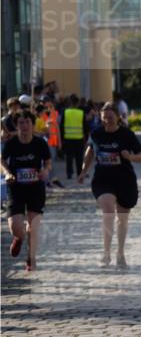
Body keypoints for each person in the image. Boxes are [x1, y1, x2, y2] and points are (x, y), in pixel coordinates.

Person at [78, 102, 141, 267]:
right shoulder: (96, 133)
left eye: (110, 117)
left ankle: (120, 253)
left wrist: (130, 157)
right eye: (104, 118)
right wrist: (83, 171)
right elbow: (89, 153)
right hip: (103, 179)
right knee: (108, 211)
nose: (107, 121)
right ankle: (106, 253)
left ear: (117, 117)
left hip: (124, 179)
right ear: (100, 118)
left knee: (122, 219)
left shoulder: (126, 134)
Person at [1, 109, 51, 271]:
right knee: (16, 226)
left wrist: (45, 171)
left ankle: (31, 258)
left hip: (35, 188)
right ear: (17, 125)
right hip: (16, 188)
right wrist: (7, 172)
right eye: (21, 123)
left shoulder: (40, 143)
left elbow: (48, 161)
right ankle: (18, 238)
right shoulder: (11, 144)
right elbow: (1, 160)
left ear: (32, 124)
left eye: (27, 122)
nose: (24, 125)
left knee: (33, 226)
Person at [61, 94, 87, 182]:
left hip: (68, 138)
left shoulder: (65, 112)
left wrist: (62, 138)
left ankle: (69, 173)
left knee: (69, 157)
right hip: (79, 138)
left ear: (70, 102)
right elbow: (85, 126)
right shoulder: (81, 113)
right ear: (78, 103)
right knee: (79, 157)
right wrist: (86, 138)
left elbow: (61, 126)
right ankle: (79, 173)